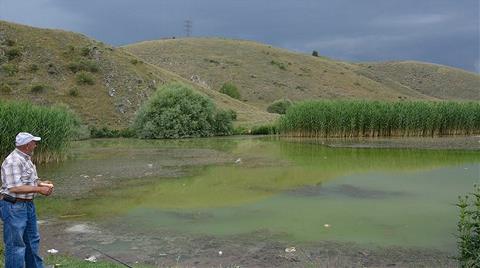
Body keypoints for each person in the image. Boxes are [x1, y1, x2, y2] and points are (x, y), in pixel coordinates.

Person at [0, 132, 54, 268]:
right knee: (15, 245)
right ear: (27, 145)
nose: (35, 145)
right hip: (13, 206)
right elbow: (14, 188)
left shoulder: (25, 159)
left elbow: (28, 180)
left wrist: (41, 184)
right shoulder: (13, 161)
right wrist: (40, 190)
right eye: (34, 142)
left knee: (32, 240)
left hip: (27, 206)